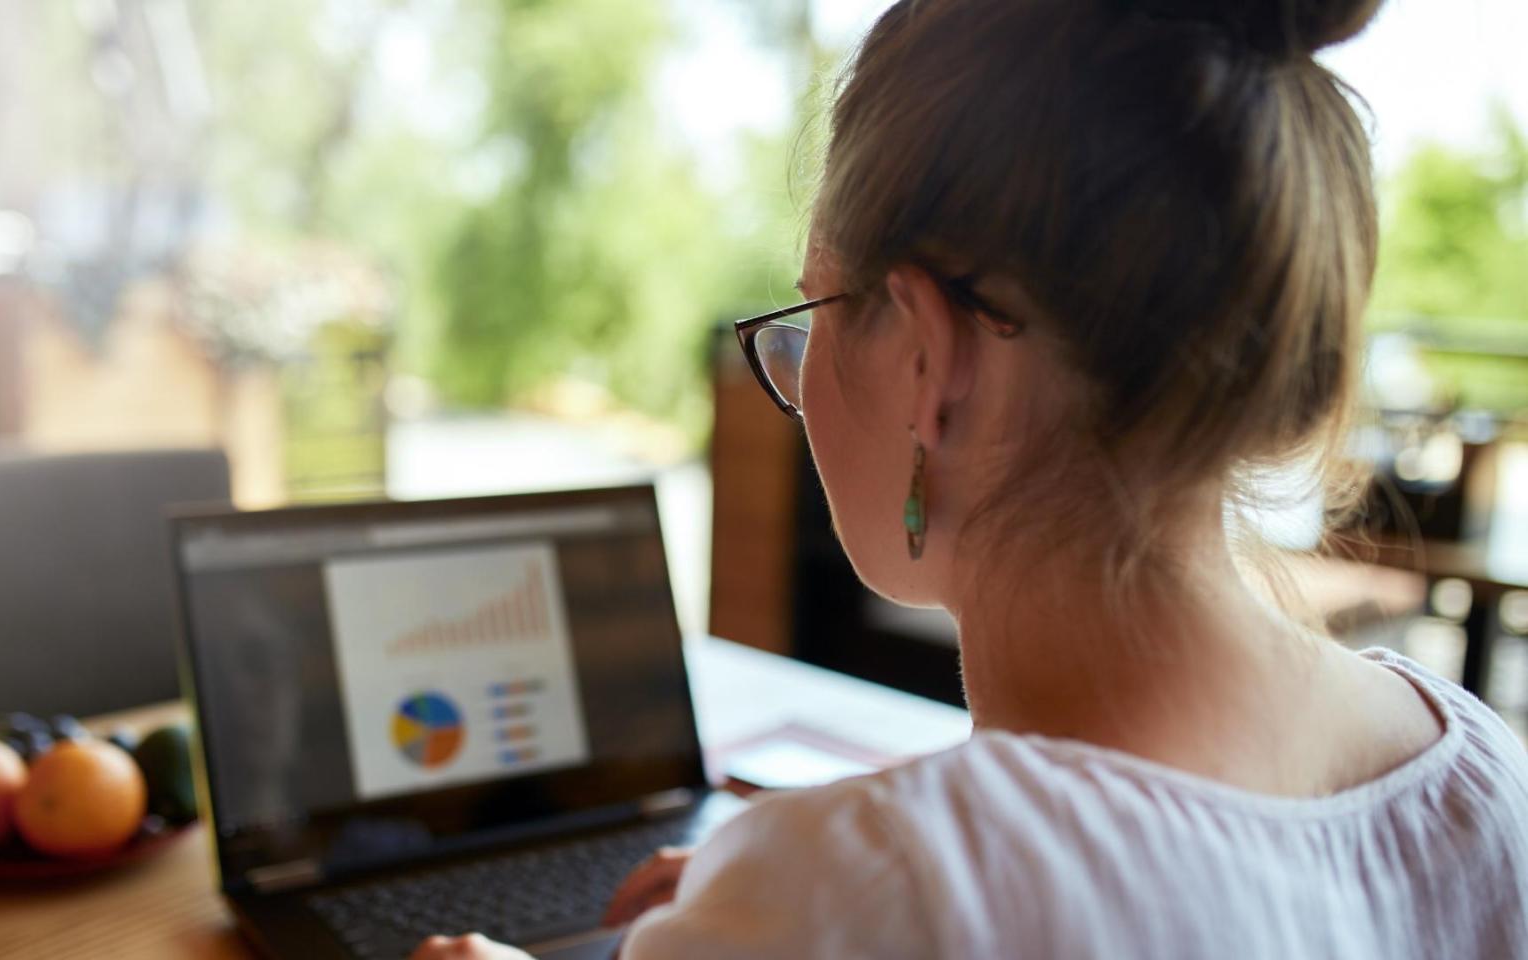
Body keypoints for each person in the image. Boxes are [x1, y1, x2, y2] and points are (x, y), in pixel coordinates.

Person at [414, 0, 1528, 956]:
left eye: (810, 315)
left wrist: (814, 889)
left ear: (928, 358)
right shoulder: (1482, 781)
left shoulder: (867, 893)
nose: (796, 381)